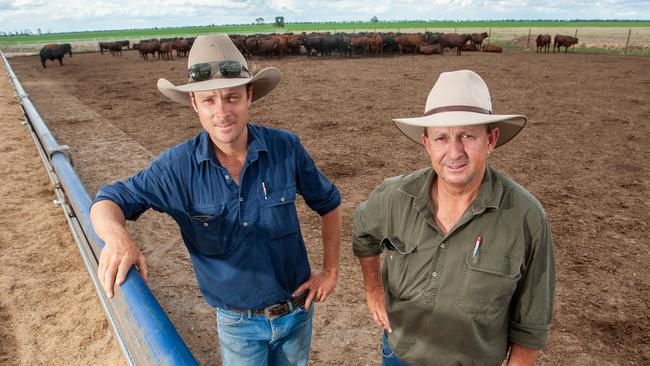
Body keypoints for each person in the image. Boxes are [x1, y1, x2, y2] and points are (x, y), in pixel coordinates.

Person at [90, 34, 342, 366]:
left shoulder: (286, 148)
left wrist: (330, 271)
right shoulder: (176, 168)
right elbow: (108, 201)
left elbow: (329, 203)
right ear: (194, 102)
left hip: (297, 314)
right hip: (238, 326)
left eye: (231, 97)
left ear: (249, 96)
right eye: (208, 100)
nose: (222, 112)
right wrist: (118, 237)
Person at [352, 70, 555, 366]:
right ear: (427, 144)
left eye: (467, 136)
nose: (454, 152)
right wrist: (373, 287)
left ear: (491, 139)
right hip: (399, 356)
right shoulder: (394, 196)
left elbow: (532, 325)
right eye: (442, 138)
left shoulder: (527, 218)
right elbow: (363, 234)